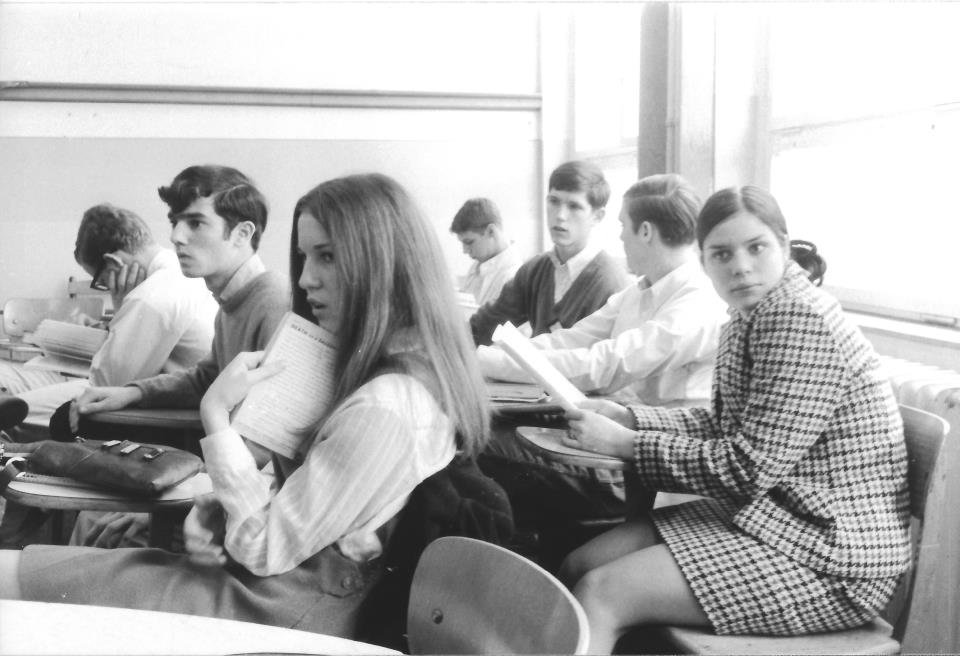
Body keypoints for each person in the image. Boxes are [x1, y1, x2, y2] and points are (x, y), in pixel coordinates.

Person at [0, 173, 491, 639]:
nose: (306, 280)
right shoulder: (393, 375)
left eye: (327, 257)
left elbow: (263, 544)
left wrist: (216, 417)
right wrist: (218, 506)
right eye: (306, 257)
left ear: (383, 262)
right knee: (39, 568)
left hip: (282, 606)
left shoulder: (383, 407)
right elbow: (308, 499)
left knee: (21, 577)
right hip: (277, 584)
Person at [557, 186, 910, 653]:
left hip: (834, 556)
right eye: (721, 254)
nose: (740, 266)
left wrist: (625, 443)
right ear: (704, 261)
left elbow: (747, 468)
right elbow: (727, 426)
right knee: (581, 565)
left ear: (783, 246)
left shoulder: (799, 320)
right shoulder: (752, 313)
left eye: (756, 248)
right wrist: (630, 418)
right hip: (778, 519)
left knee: (601, 594)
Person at [54, 165, 288, 549]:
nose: (177, 236)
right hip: (222, 476)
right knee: (92, 518)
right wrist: (132, 393)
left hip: (244, 508)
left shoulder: (273, 300)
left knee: (97, 522)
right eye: (175, 222)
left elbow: (267, 446)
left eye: (195, 223)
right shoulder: (232, 303)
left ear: (242, 234)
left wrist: (172, 505)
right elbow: (205, 378)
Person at [477, 174, 730, 524]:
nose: (620, 237)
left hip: (646, 471)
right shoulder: (640, 290)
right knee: (478, 429)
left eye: (623, 226)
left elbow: (604, 365)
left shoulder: (699, 302)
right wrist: (496, 357)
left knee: (480, 446)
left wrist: (484, 362)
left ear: (646, 232)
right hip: (614, 436)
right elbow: (571, 339)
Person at [11, 203, 217, 440]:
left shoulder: (150, 297)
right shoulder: (178, 271)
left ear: (114, 262)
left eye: (101, 281)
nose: (107, 288)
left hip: (174, 413)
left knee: (12, 415)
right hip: (182, 400)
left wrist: (122, 305)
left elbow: (105, 386)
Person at [469, 161, 630, 346]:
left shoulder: (612, 283)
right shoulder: (534, 270)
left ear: (597, 216)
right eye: (554, 201)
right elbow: (483, 326)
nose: (560, 215)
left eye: (574, 206)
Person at [450, 197, 522, 307]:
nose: (465, 250)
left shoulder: (514, 277)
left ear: (491, 231)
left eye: (469, 242)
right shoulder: (478, 265)